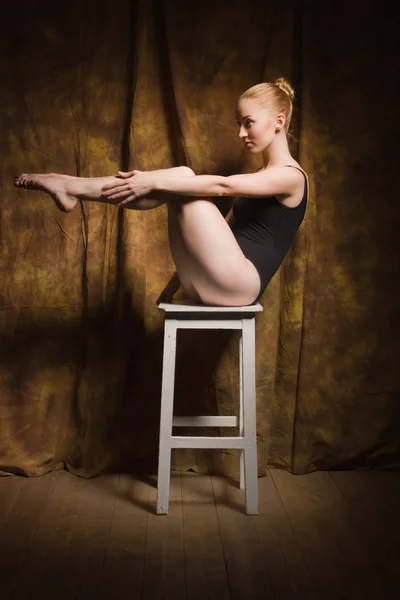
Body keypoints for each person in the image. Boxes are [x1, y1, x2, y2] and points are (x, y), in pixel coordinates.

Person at [14, 77, 308, 307]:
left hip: (240, 285)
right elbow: (225, 232)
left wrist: (153, 181)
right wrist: (175, 283)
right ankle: (72, 188)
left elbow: (223, 186)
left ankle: (72, 186)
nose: (241, 133)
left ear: (278, 122)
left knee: (182, 177)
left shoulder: (291, 177)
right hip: (206, 281)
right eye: (238, 124)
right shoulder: (260, 177)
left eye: (248, 123)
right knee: (180, 181)